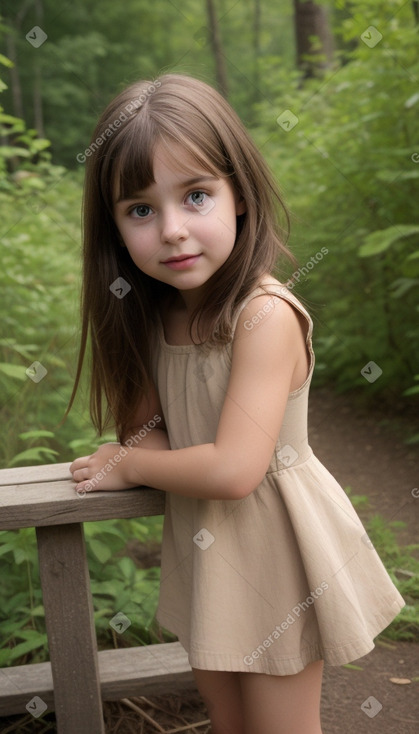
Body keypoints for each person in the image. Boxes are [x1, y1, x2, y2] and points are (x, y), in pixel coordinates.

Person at [69, 73, 404, 734]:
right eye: (140, 209)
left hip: (276, 548)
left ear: (239, 195)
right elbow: (146, 435)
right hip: (208, 550)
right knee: (227, 721)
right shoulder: (152, 315)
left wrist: (130, 466)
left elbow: (232, 469)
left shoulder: (263, 316)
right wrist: (136, 454)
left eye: (196, 196)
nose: (171, 230)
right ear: (113, 226)